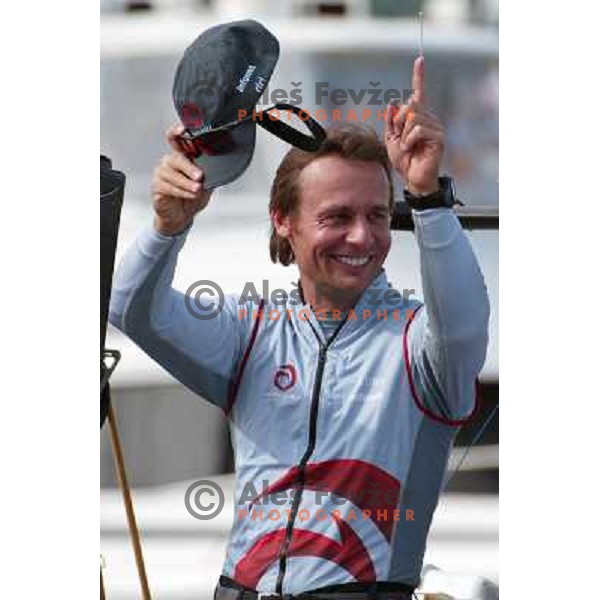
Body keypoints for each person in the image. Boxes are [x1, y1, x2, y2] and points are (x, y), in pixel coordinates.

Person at [109, 57, 489, 599]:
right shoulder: (252, 330)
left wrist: (426, 197)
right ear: (283, 220)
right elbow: (130, 309)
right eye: (337, 217)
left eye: (377, 216)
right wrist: (170, 224)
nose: (361, 237)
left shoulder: (418, 344)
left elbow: (465, 328)